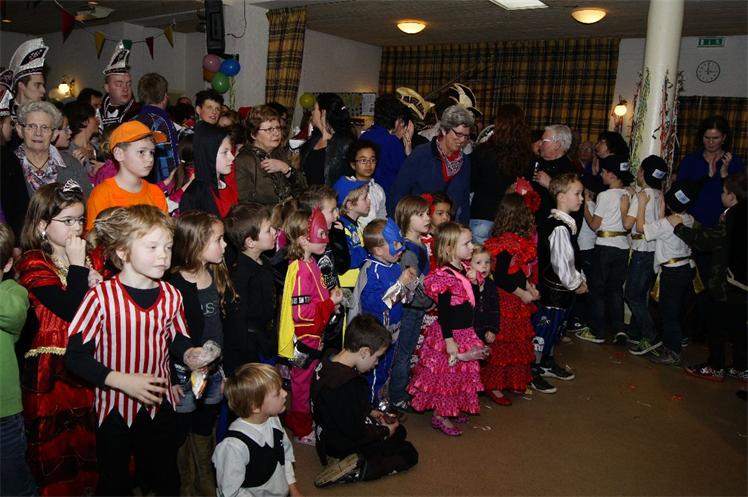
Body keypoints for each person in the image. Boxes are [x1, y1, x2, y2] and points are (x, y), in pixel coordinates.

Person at [64, 205, 209, 496]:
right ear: (123, 252)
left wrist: (189, 354)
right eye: (152, 247)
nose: (163, 255)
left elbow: (177, 338)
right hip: (114, 408)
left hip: (158, 403)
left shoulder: (172, 294)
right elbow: (75, 356)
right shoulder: (101, 297)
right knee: (115, 482)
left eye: (168, 247)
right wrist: (122, 380)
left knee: (166, 478)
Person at [16, 182, 101, 495]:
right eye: (67, 221)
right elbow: (68, 310)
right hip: (51, 371)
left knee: (91, 444)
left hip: (88, 361)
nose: (76, 228)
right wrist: (78, 268)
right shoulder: (34, 262)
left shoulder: (90, 258)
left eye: (80, 220)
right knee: (58, 453)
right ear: (42, 225)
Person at [167, 211, 233, 496]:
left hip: (213, 372)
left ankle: (206, 477)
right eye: (218, 239)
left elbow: (221, 326)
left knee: (206, 423)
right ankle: (186, 482)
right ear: (196, 244)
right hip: (183, 374)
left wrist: (224, 369)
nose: (225, 245)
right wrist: (170, 378)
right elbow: (167, 335)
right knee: (182, 427)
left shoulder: (216, 272)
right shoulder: (173, 284)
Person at [311, 314, 418, 488]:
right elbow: (356, 432)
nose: (376, 363)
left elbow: (342, 407)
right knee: (409, 452)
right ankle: (357, 470)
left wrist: (371, 412)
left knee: (399, 431)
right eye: (377, 357)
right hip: (341, 445)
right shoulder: (350, 383)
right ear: (364, 352)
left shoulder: (328, 358)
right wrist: (384, 431)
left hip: (325, 437)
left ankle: (348, 460)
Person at [407, 222, 486, 436]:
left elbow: (473, 302)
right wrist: (449, 340)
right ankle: (440, 415)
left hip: (465, 332)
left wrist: (474, 283)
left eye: (471, 242)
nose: (472, 247)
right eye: (466, 243)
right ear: (450, 248)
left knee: (460, 374)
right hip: (449, 334)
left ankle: (452, 407)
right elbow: (444, 312)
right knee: (446, 376)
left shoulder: (466, 270)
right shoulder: (445, 276)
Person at [277, 208, 343, 444]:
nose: (326, 239)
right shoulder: (300, 271)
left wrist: (330, 302)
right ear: (304, 240)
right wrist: (329, 304)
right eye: (320, 234)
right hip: (304, 340)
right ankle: (301, 428)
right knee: (301, 384)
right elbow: (301, 313)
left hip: (315, 335)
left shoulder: (310, 262)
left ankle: (304, 419)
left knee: (306, 381)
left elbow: (316, 298)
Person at [674, 173, 746, 381]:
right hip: (743, 284)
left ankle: (716, 366)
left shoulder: (733, 217)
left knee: (717, 325)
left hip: (728, 283)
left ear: (732, 196)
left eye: (723, 192)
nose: (721, 195)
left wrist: (679, 227)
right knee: (739, 326)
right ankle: (741, 366)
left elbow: (706, 241)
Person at [2, 101, 92, 238]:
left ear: (54, 133)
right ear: (20, 130)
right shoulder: (6, 166)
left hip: (68, 241)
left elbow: (87, 205)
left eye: (45, 128)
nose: (38, 133)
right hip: (21, 244)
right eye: (32, 126)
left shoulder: (71, 165)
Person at [351, 218, 416, 406]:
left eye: (400, 242)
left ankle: (382, 402)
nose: (401, 248)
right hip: (375, 335)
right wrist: (400, 284)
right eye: (395, 244)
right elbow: (377, 306)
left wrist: (410, 285)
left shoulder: (394, 265)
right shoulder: (371, 270)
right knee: (374, 373)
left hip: (393, 330)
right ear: (378, 250)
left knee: (387, 369)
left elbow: (404, 300)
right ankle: (372, 407)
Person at [483, 193, 542, 397]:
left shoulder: (516, 241)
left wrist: (529, 286)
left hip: (515, 299)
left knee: (515, 344)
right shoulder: (505, 244)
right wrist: (522, 293)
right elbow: (501, 277)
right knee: (501, 344)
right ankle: (494, 385)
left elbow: (517, 272)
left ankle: (510, 380)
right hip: (504, 300)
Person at [635, 181, 699, 366]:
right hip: (686, 268)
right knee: (677, 309)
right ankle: (679, 339)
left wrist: (642, 204)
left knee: (668, 312)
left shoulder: (666, 223)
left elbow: (641, 228)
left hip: (672, 272)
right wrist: (665, 206)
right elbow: (662, 227)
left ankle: (672, 351)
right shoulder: (689, 219)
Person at [213, 363, 301, 497]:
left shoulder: (273, 420)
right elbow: (230, 492)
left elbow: (285, 456)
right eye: (277, 393)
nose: (284, 394)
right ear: (255, 406)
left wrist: (293, 488)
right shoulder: (234, 447)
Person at [531, 174, 585, 388]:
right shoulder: (559, 227)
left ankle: (546, 361)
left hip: (561, 291)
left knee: (556, 328)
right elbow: (562, 263)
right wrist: (576, 283)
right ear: (561, 197)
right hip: (554, 290)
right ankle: (533, 369)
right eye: (577, 194)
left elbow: (572, 258)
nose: (581, 198)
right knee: (545, 330)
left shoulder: (565, 224)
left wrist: (579, 278)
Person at [578, 155, 633, 344]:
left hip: (604, 246)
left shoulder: (604, 195)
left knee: (598, 290)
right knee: (616, 290)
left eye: (603, 171)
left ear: (611, 174)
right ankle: (619, 329)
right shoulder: (627, 195)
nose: (601, 174)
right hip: (623, 246)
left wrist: (585, 208)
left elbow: (594, 225)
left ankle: (598, 331)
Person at [389, 105, 474, 223]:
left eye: (466, 136)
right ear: (444, 130)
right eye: (458, 134)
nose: (462, 140)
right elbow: (398, 193)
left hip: (448, 229)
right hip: (420, 226)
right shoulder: (421, 155)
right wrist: (400, 225)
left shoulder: (464, 161)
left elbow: (464, 203)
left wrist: (464, 227)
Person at [0, 223, 36, 497]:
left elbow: (13, 315)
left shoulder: (14, 292)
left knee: (15, 487)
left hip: (4, 415)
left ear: (7, 264)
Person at [389, 195, 432, 411]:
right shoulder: (408, 250)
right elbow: (414, 284)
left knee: (407, 351)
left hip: (417, 307)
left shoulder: (419, 244)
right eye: (420, 215)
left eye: (427, 213)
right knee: (403, 353)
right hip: (409, 308)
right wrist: (432, 295)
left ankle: (401, 390)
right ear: (406, 217)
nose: (427, 218)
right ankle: (397, 396)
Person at [223, 203, 278, 370]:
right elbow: (238, 323)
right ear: (250, 242)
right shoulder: (240, 275)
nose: (275, 231)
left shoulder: (264, 262)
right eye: (268, 230)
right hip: (251, 351)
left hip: (266, 340)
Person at [85, 120, 168, 230]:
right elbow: (94, 237)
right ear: (119, 154)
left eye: (151, 152)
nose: (150, 159)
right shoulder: (102, 195)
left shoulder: (156, 194)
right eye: (141, 152)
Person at [470, 103, 534, 243]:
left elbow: (471, 183)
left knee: (478, 256)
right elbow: (526, 187)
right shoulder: (528, 156)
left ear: (498, 123)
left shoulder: (482, 151)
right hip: (511, 217)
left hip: (483, 213)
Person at [622, 156, 667, 355]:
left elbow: (627, 224)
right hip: (654, 250)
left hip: (641, 250)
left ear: (643, 173)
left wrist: (624, 207)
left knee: (631, 295)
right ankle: (635, 332)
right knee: (641, 294)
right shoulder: (658, 194)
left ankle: (651, 335)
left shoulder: (642, 196)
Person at [676, 116, 744, 227]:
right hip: (691, 223)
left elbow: (740, 197)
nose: (710, 142)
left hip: (722, 226)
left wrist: (725, 175)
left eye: (715, 138)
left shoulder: (734, 162)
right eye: (706, 138)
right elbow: (678, 191)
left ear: (724, 138)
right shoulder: (690, 160)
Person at [234, 105, 305, 207]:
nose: (276, 133)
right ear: (253, 134)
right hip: (263, 216)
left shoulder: (279, 153)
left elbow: (302, 188)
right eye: (269, 129)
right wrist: (282, 201)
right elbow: (244, 201)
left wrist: (286, 168)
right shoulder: (243, 160)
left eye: (277, 128)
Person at [179, 123, 236, 217]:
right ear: (209, 154)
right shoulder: (194, 197)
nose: (232, 157)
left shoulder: (227, 183)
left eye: (231, 151)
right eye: (225, 152)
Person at [360, 94, 411, 195]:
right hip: (386, 196)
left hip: (365, 193)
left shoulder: (364, 136)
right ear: (396, 120)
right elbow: (405, 175)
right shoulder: (392, 142)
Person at [299, 93, 354, 186]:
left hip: (333, 195)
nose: (312, 112)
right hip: (311, 194)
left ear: (323, 113)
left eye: (314, 109)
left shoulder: (345, 144)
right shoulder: (312, 141)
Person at [136, 73, 180, 184]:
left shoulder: (134, 120)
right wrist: (173, 183)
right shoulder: (162, 122)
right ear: (164, 96)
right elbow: (168, 157)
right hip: (161, 184)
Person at [531, 124, 578, 225]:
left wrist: (550, 184)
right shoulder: (536, 163)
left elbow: (573, 203)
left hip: (553, 225)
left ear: (557, 145)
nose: (540, 144)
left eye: (544, 141)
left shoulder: (569, 171)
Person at [333, 177, 370, 288]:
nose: (369, 200)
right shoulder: (340, 228)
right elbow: (349, 259)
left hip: (358, 283)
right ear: (350, 205)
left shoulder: (358, 226)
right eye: (365, 198)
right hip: (347, 285)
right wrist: (368, 249)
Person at [99, 41, 139, 131]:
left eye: (128, 84)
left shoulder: (139, 115)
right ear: (107, 88)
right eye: (119, 84)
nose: (125, 89)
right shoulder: (96, 113)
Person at [347, 139, 386, 227]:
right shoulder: (348, 188)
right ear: (353, 165)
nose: (368, 164)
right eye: (363, 160)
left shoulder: (378, 189)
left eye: (372, 160)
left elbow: (382, 217)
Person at [8, 38, 48, 118]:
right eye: (37, 85)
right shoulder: (5, 113)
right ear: (21, 85)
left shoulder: (46, 114)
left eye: (43, 85)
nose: (43, 90)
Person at [63, 100, 102, 178]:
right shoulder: (68, 151)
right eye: (93, 116)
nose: (97, 120)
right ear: (84, 121)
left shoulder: (98, 145)